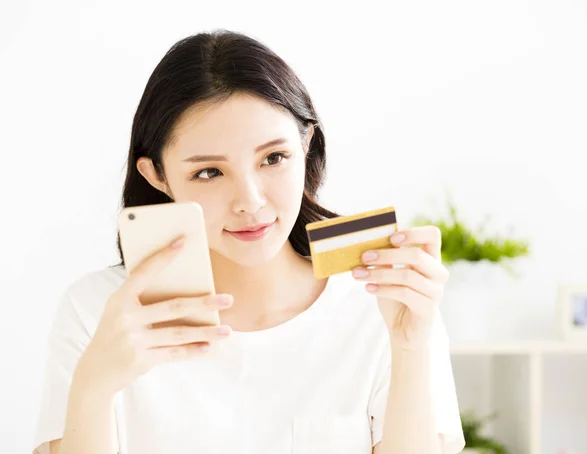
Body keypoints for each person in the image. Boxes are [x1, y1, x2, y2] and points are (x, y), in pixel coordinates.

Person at [32, 29, 465, 454]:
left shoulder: (383, 305)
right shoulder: (98, 314)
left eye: (273, 158)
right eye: (209, 172)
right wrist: (93, 386)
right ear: (157, 176)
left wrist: (409, 348)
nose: (251, 202)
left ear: (306, 145)